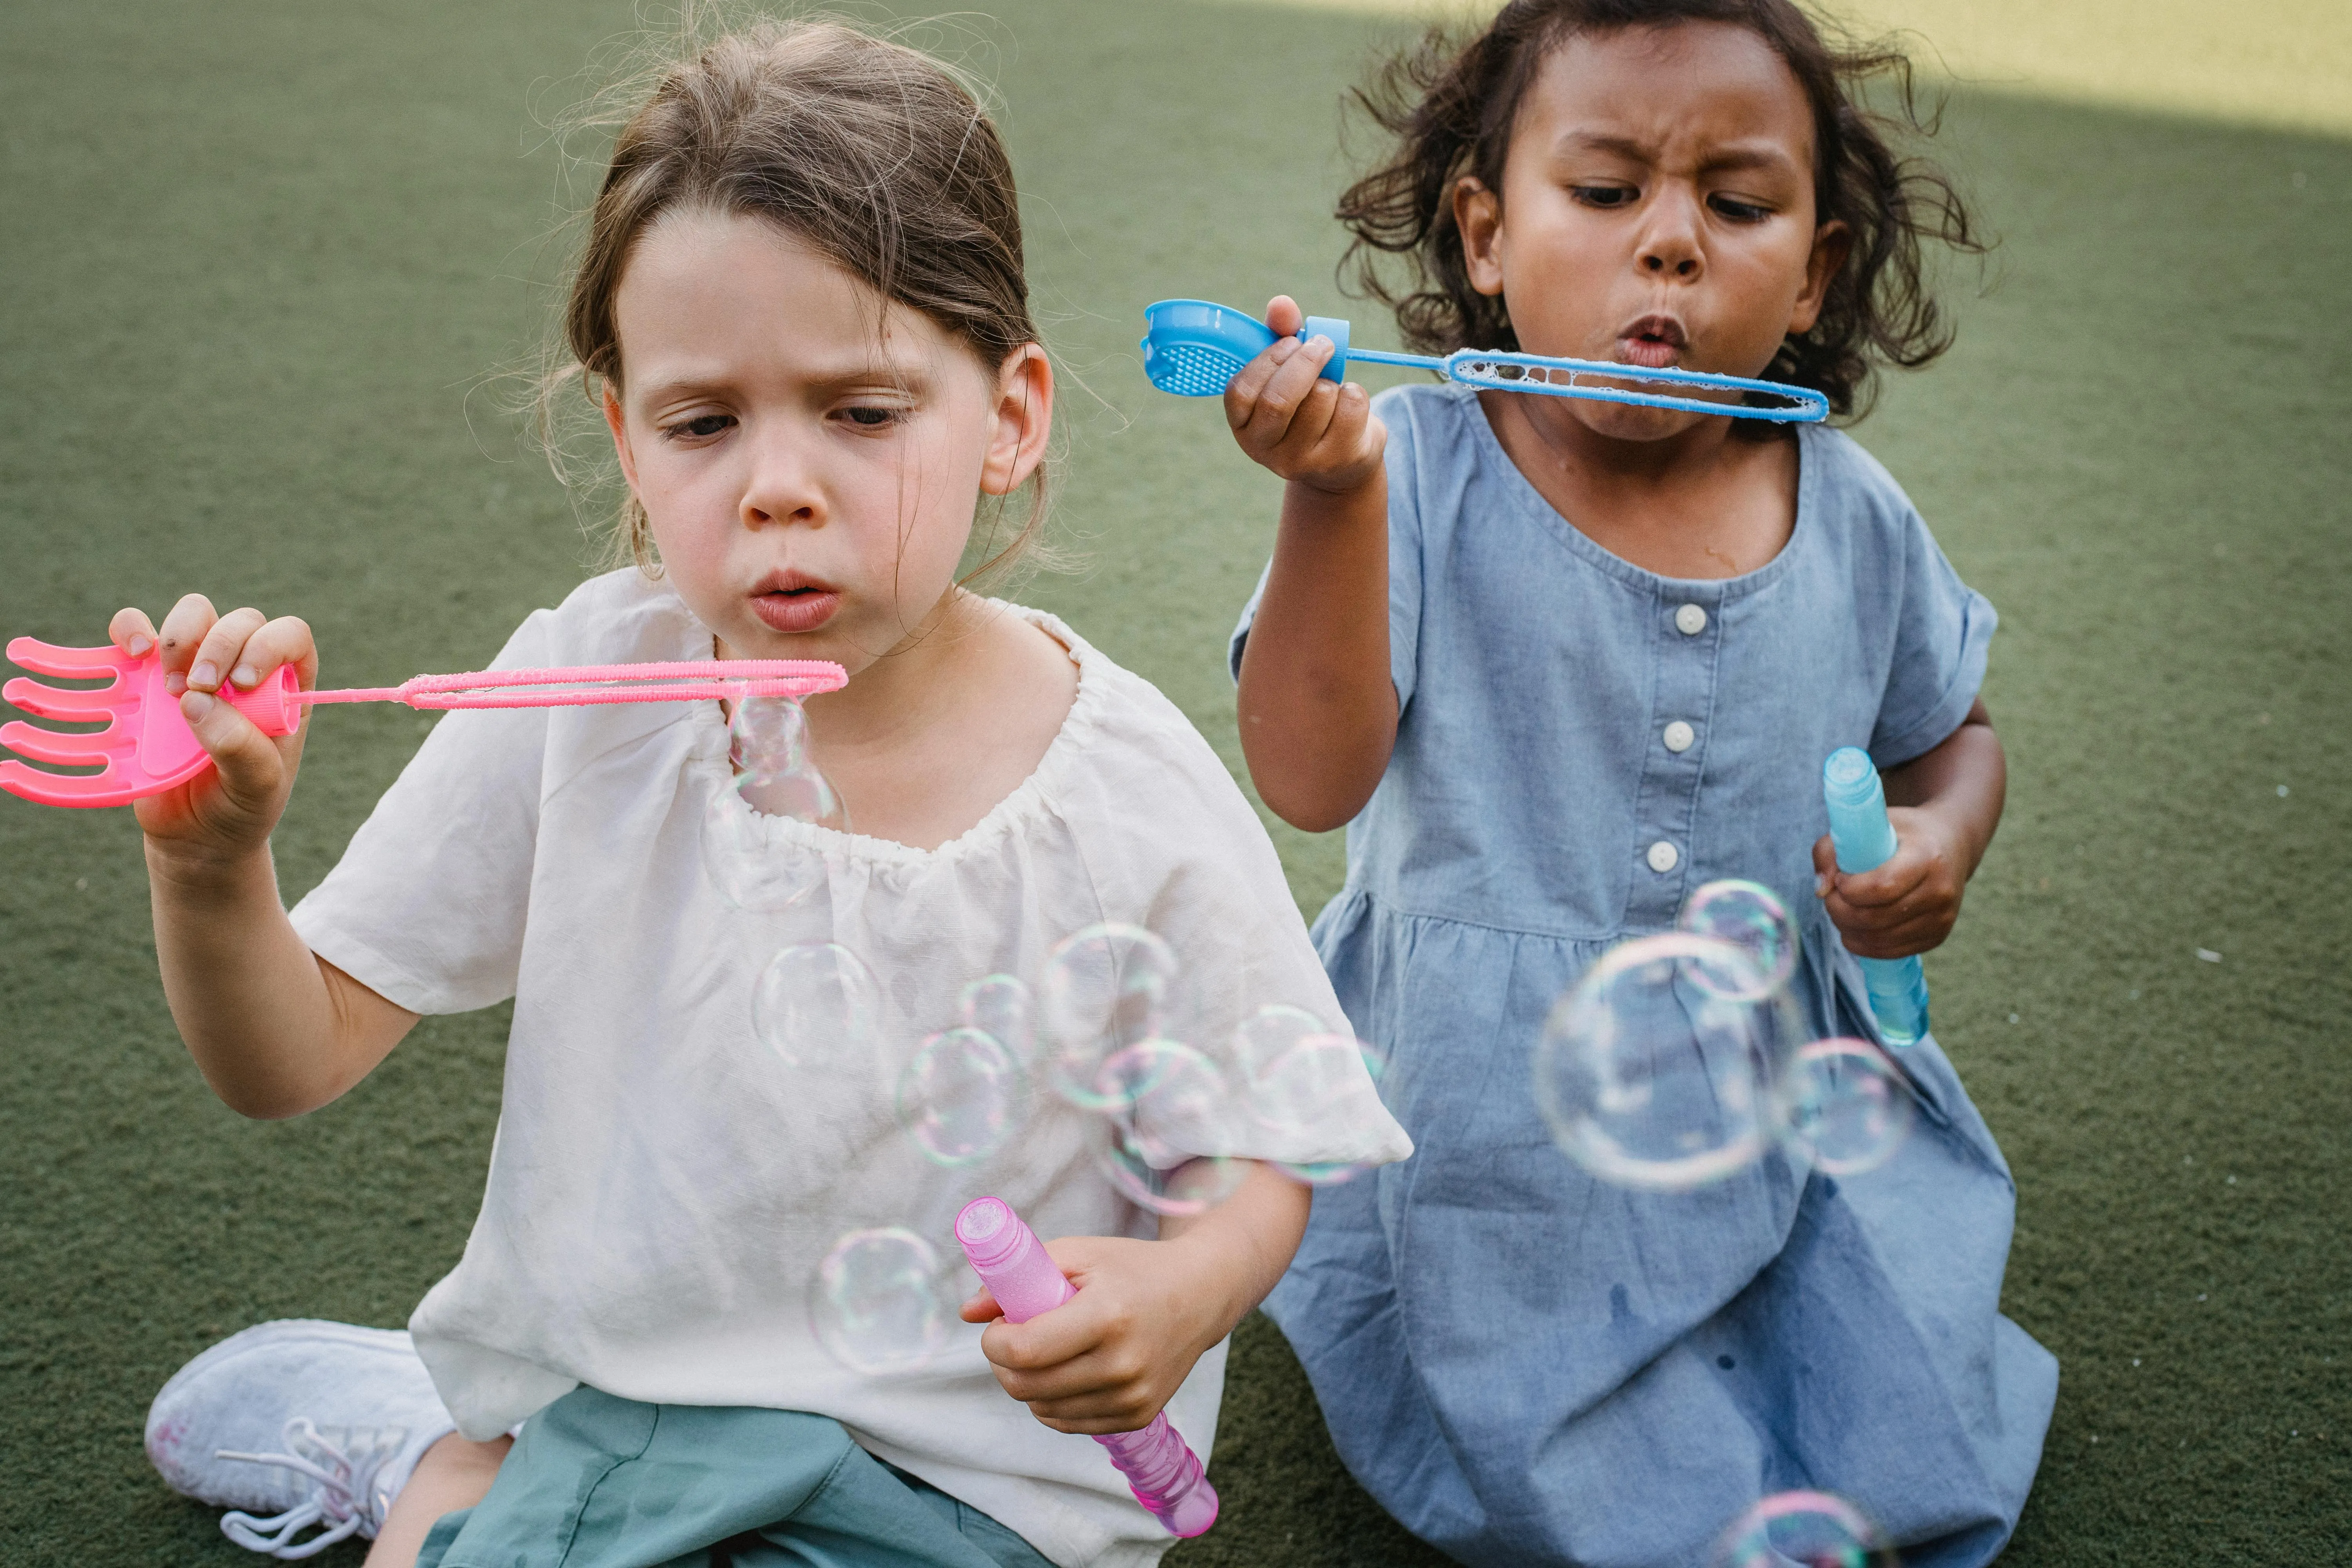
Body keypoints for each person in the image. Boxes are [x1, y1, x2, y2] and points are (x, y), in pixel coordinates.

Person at [124, 19, 1406, 1568]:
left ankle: (449, 1469)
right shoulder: (583, 695)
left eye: (862, 412)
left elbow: (1264, 1139)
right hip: (626, 1422)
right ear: (626, 439)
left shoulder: (1120, 790)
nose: (778, 486)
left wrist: (1187, 1288)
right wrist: (211, 871)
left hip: (971, 1497)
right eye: (703, 422)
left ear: (1010, 416)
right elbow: (294, 1054)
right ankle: (457, 1458)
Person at [1216, 1, 2057, 1563]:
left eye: (1736, 205)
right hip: (1478, 1122)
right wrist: (1331, 495)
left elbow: (1955, 733)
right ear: (1487, 236)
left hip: (1774, 1094)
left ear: (1813, 272)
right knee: (1570, 1472)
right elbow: (1309, 778)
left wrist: (1941, 834)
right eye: (1605, 192)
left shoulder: (1853, 512)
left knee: (1886, 1415)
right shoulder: (1411, 468)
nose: (1670, 242)